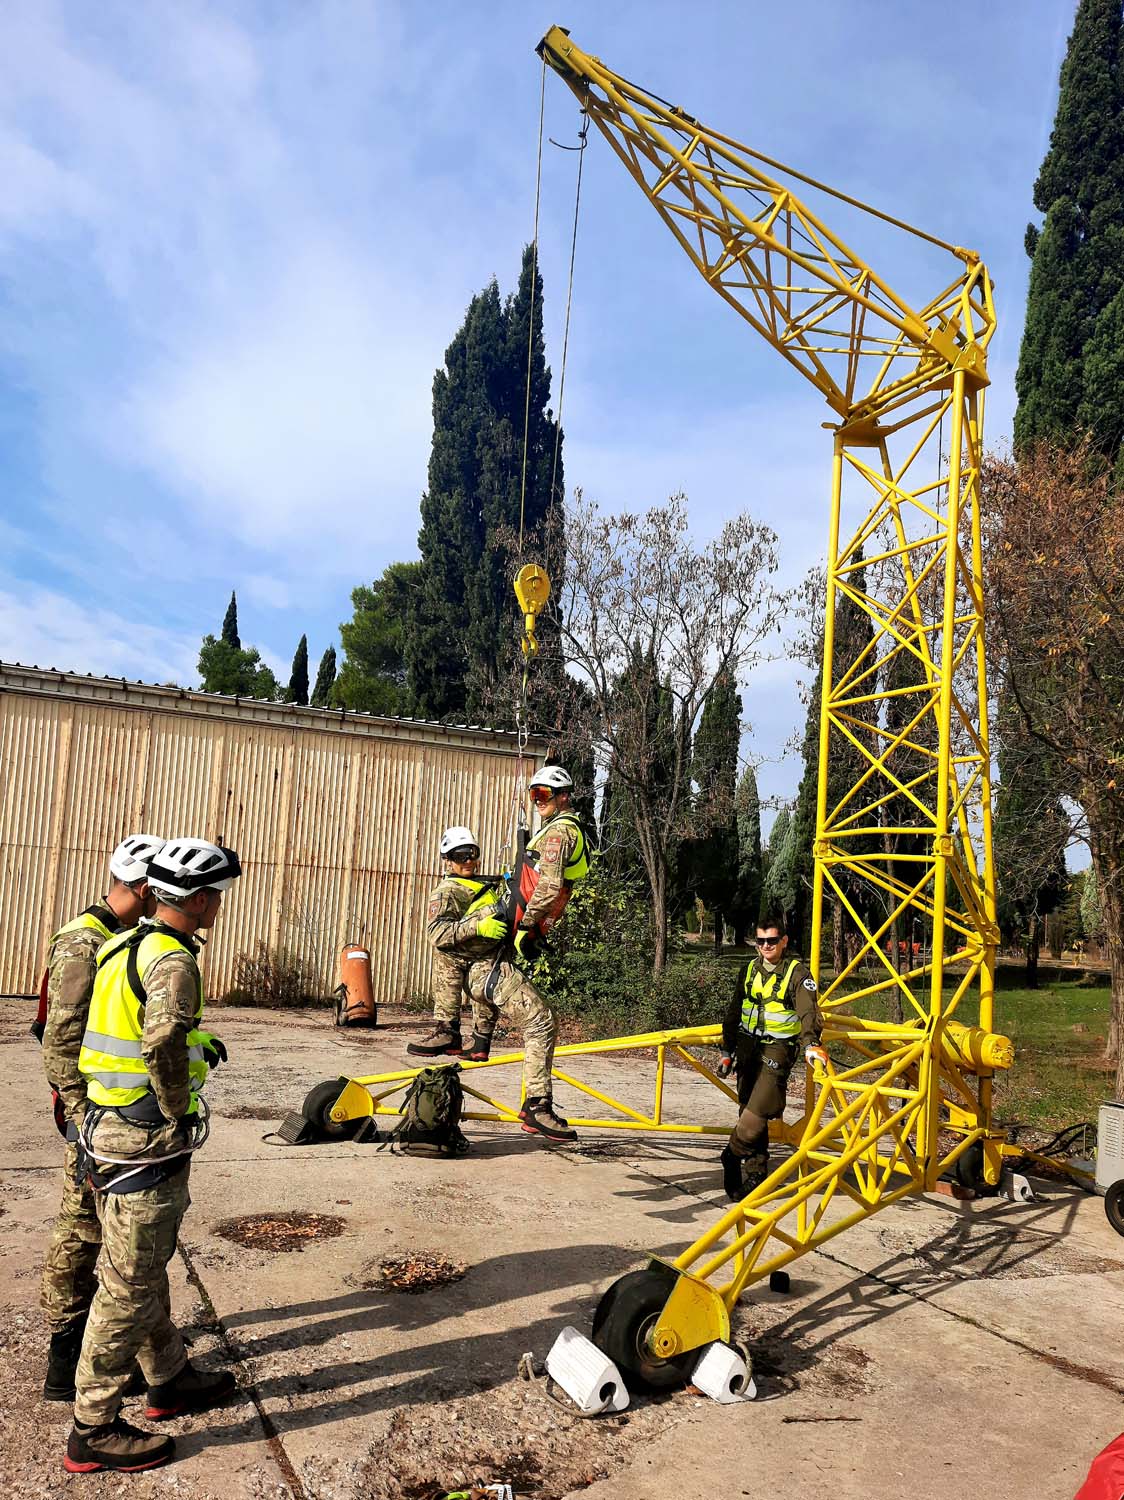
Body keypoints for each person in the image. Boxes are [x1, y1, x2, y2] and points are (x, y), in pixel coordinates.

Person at [64, 838, 242, 1475]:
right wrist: (178, 1106)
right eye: (214, 896)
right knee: (128, 1284)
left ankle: (168, 1377)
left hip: (107, 1125)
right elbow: (162, 1039)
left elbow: (132, 1028)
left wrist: (197, 1045)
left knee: (142, 1264)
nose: (217, 905)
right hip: (143, 1137)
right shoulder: (173, 960)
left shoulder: (122, 945)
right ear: (196, 900)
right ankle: (92, 1426)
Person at [37, 834, 166, 1403]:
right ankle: (65, 1356)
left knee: (116, 1231)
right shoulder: (82, 941)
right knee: (81, 1227)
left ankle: (127, 1347)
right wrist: (80, 1113)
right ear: (143, 887)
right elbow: (60, 1039)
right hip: (90, 1114)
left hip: (116, 1114)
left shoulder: (126, 936)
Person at [716, 912, 827, 1202]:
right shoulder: (748, 970)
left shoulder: (797, 974)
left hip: (777, 1049)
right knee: (747, 1108)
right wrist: (727, 1049)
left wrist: (811, 1044)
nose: (766, 946)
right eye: (761, 941)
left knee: (760, 1109)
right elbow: (734, 1010)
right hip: (747, 1046)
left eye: (772, 941)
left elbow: (808, 1012)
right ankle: (756, 1173)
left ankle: (731, 1155)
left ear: (784, 941)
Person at [408, 826, 503, 1060]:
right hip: (466, 958)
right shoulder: (447, 891)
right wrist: (478, 927)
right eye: (460, 856)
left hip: (490, 958)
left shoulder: (483, 884)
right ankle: (448, 1030)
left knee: (488, 976)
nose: (468, 860)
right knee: (446, 953)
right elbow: (437, 934)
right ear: (448, 860)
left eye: (472, 853)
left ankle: (480, 1039)